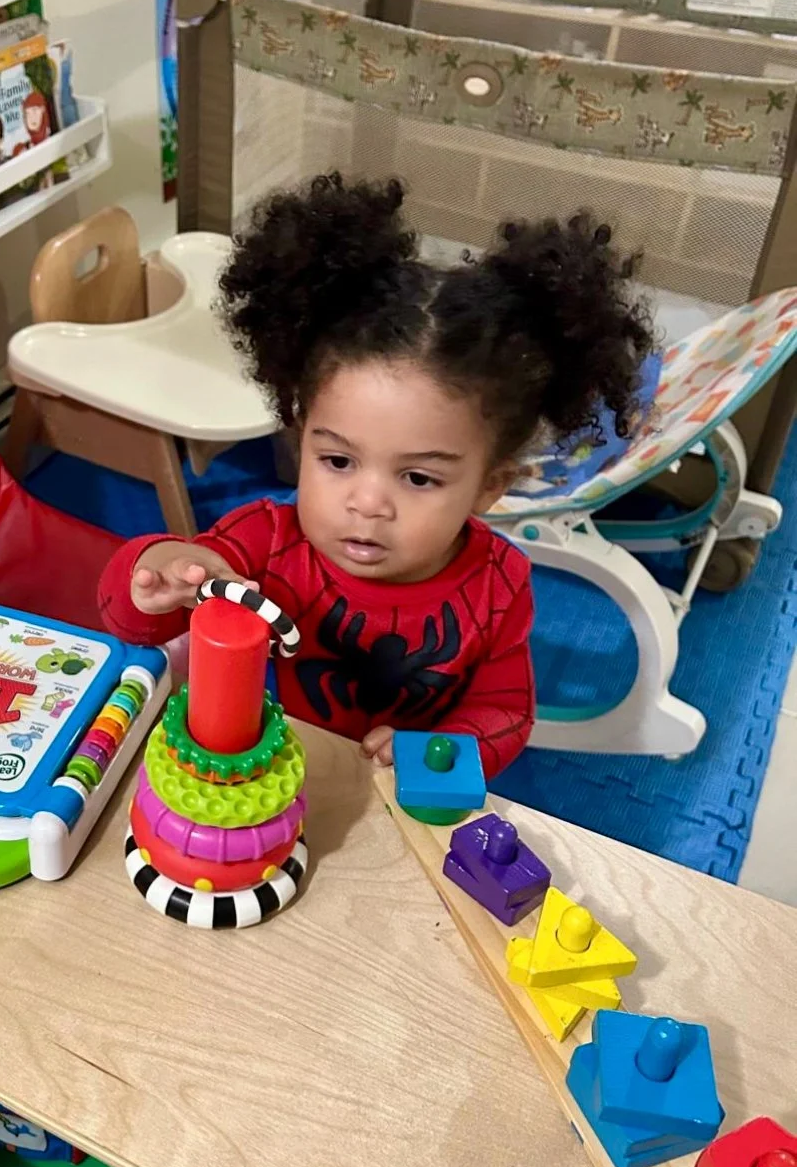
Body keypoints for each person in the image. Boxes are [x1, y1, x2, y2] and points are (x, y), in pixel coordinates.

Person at [97, 175, 653, 778]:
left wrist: (439, 752)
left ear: (491, 485)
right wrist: (160, 571)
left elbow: (505, 709)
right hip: (253, 769)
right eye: (337, 461)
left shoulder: (499, 584)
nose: (367, 502)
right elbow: (133, 617)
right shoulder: (261, 540)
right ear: (302, 433)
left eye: (418, 478)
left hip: (391, 789)